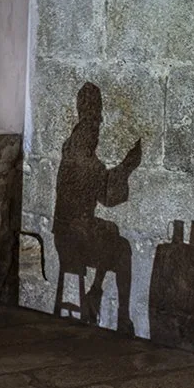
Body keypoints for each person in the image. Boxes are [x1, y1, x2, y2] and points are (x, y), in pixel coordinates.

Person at [52, 83, 143, 332]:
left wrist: (124, 167)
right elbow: (107, 197)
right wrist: (127, 166)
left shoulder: (71, 150)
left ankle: (98, 291)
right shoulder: (84, 156)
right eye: (97, 118)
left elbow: (101, 190)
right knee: (117, 242)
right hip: (74, 239)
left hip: (68, 234)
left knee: (113, 238)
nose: (100, 124)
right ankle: (110, 304)